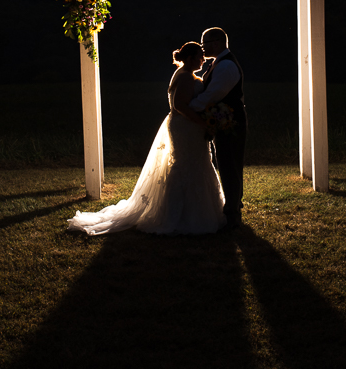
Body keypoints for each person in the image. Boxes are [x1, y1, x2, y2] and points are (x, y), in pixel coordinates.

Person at [67, 42, 226, 236]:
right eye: (200, 56)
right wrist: (203, 123)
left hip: (187, 128)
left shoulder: (185, 75)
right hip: (186, 129)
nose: (203, 59)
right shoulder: (185, 77)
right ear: (191, 58)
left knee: (193, 165)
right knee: (189, 167)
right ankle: (184, 216)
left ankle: (191, 212)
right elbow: (180, 107)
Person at [189, 27, 247, 229]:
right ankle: (233, 205)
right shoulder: (218, 63)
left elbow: (212, 95)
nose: (203, 49)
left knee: (230, 164)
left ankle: (232, 210)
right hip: (223, 121)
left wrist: (188, 109)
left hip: (230, 122)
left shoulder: (226, 66)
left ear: (218, 42)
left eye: (205, 44)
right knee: (226, 163)